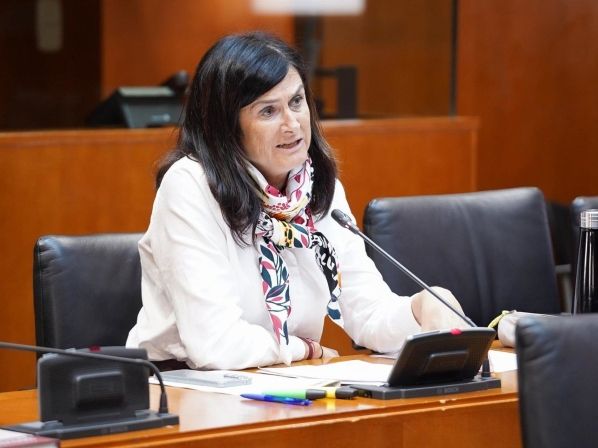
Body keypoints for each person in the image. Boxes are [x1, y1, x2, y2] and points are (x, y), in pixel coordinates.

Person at [126, 31, 467, 370]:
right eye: (268, 111)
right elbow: (215, 344)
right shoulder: (190, 186)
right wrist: (304, 349)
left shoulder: (316, 188)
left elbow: (366, 312)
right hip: (180, 383)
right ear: (226, 127)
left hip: (280, 378)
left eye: (297, 101)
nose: (292, 124)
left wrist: (420, 310)